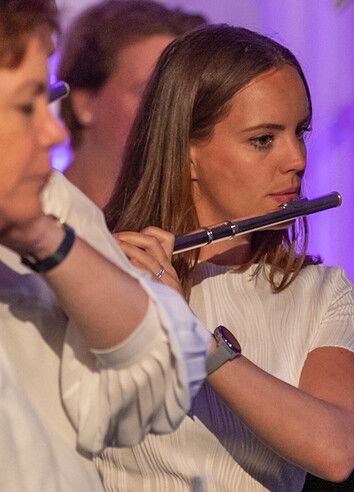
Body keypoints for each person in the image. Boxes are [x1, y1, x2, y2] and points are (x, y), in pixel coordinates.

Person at [97, 25, 354, 490]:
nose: (297, 159)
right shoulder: (102, 273)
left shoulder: (323, 295)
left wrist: (190, 335)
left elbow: (336, 450)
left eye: (299, 132)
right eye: (264, 139)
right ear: (188, 152)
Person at [0, 0, 211, 487]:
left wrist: (40, 236)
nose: (51, 131)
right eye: (26, 103)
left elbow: (162, 369)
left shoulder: (49, 203)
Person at [59, 0, 206, 208]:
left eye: (179, 96)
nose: (172, 112)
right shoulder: (24, 223)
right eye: (149, 92)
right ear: (85, 104)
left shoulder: (188, 223)